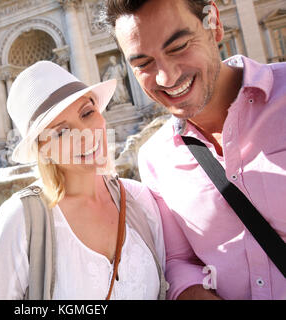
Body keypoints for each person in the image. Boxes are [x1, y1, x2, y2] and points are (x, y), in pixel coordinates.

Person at [104, 0, 286, 300]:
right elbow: (179, 262)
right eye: (143, 64)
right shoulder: (154, 158)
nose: (166, 77)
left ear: (213, 22)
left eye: (178, 47)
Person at [0, 61, 167, 300]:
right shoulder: (21, 219)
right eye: (61, 132)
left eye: (87, 113)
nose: (85, 135)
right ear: (42, 150)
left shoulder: (140, 199)